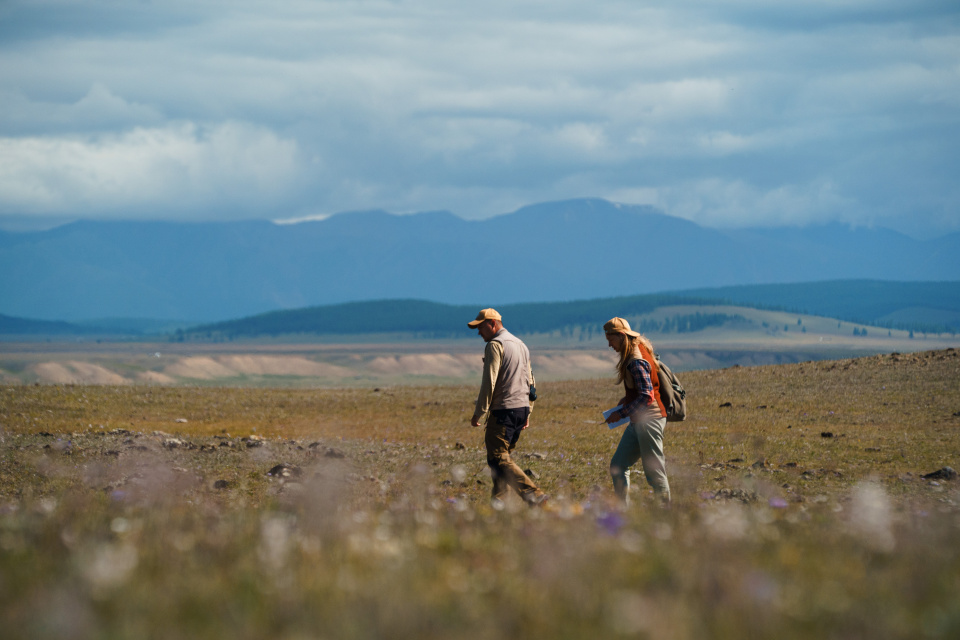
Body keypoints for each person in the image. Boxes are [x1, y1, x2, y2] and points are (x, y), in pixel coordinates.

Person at [468, 308, 547, 506]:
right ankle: (499, 505)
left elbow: (489, 381)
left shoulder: (496, 345)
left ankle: (535, 496)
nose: (479, 332)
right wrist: (529, 409)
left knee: (498, 459)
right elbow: (531, 380)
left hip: (503, 410)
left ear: (492, 324)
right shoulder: (521, 344)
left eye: (480, 327)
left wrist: (479, 412)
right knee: (500, 461)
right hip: (520, 409)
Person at [603, 317, 671, 504]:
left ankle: (665, 514)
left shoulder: (635, 360)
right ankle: (621, 510)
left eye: (611, 339)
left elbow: (646, 397)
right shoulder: (639, 349)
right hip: (638, 421)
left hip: (649, 420)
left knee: (654, 472)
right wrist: (627, 400)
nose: (610, 345)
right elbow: (642, 391)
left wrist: (622, 412)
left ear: (622, 336)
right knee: (618, 465)